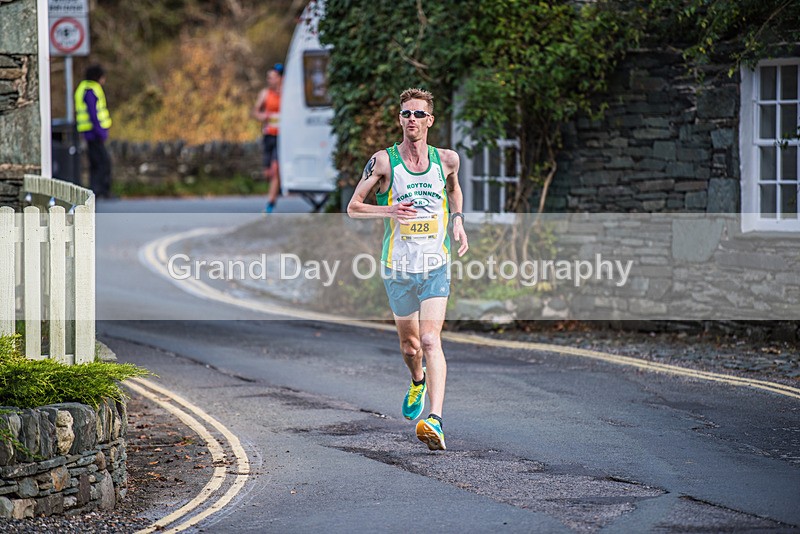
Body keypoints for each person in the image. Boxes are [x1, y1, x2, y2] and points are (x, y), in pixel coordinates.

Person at [347, 88, 469, 451]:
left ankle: (436, 420)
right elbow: (354, 207)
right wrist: (390, 210)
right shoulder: (383, 162)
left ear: (430, 120)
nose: (411, 120)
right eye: (405, 115)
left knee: (431, 340)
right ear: (399, 119)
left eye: (418, 114)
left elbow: (454, 191)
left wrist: (458, 220)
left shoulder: (447, 159)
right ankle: (417, 379)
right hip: (398, 267)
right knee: (411, 345)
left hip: (435, 264)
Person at [75, 64, 112, 198]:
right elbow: (93, 113)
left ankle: (97, 190)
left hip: (89, 132)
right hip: (93, 133)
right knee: (102, 162)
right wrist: (101, 132)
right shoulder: (91, 90)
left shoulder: (84, 88)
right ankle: (100, 190)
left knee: (96, 162)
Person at [252, 63, 283, 213]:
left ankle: (270, 203)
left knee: (276, 169)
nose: (269, 80)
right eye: (268, 78)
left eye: (272, 77)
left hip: (281, 137)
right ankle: (278, 188)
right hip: (268, 135)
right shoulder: (265, 94)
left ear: (279, 78)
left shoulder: (286, 93)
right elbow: (256, 112)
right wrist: (263, 116)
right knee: (268, 172)